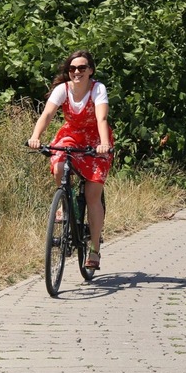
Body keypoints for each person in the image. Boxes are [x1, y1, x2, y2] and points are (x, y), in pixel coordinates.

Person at [27, 50, 113, 270]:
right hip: (71, 135)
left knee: (93, 194)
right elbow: (47, 115)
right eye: (73, 69)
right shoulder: (62, 90)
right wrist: (35, 137)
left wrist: (103, 145)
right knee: (59, 164)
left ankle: (94, 250)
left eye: (82, 68)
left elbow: (101, 118)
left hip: (95, 139)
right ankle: (65, 204)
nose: (77, 72)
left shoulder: (97, 89)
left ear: (90, 71)